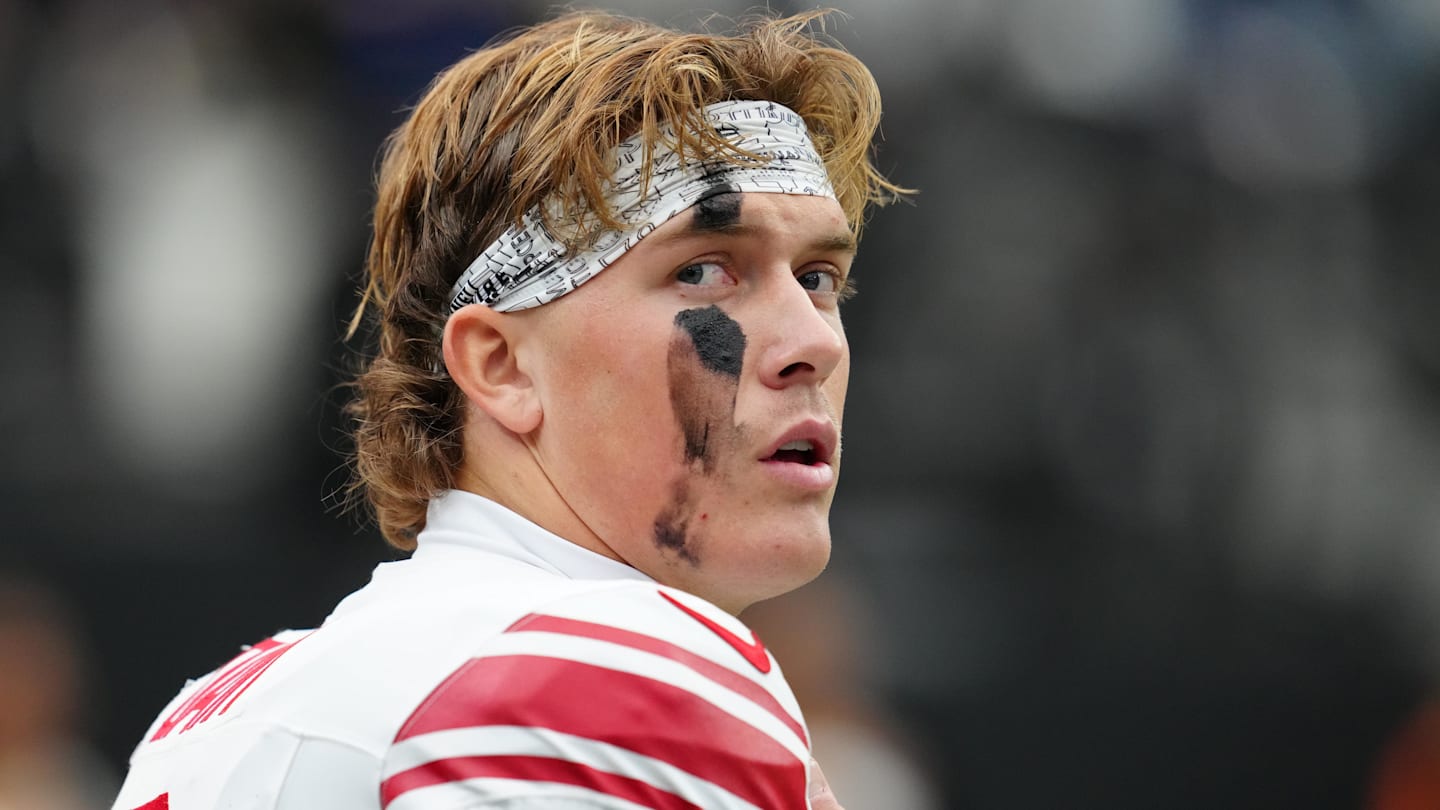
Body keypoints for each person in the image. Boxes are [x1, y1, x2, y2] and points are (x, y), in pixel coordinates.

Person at [111, 9, 904, 809]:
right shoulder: (617, 677)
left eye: (817, 279)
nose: (816, 341)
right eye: (703, 271)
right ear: (501, 365)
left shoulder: (206, 719)